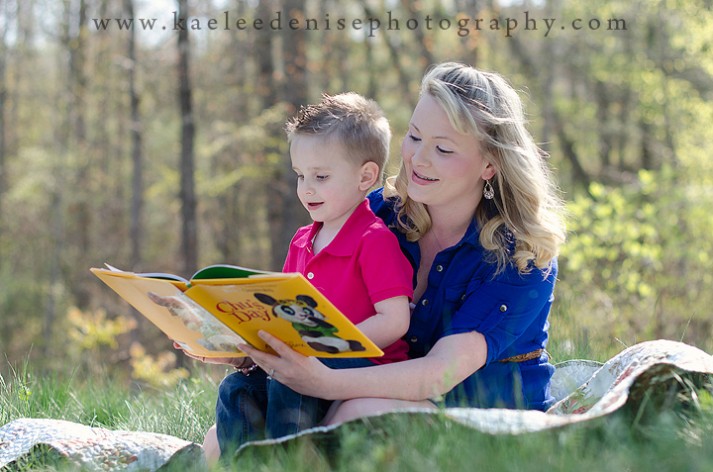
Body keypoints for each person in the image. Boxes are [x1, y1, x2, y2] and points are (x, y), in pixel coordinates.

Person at [199, 61, 566, 461]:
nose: (418, 159)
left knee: (356, 416)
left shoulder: (523, 258)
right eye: (414, 136)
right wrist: (253, 345)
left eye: (443, 149)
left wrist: (320, 382)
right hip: (370, 389)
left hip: (482, 420)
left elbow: (439, 374)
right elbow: (319, 313)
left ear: (489, 164)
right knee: (222, 438)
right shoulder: (380, 214)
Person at [212, 92, 414, 455]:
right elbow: (283, 312)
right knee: (236, 389)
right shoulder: (302, 240)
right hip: (306, 360)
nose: (306, 188)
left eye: (320, 176)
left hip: (362, 369)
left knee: (295, 380)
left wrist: (325, 347)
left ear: (365, 176)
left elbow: (395, 320)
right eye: (300, 175)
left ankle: (291, 463)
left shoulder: (374, 240)